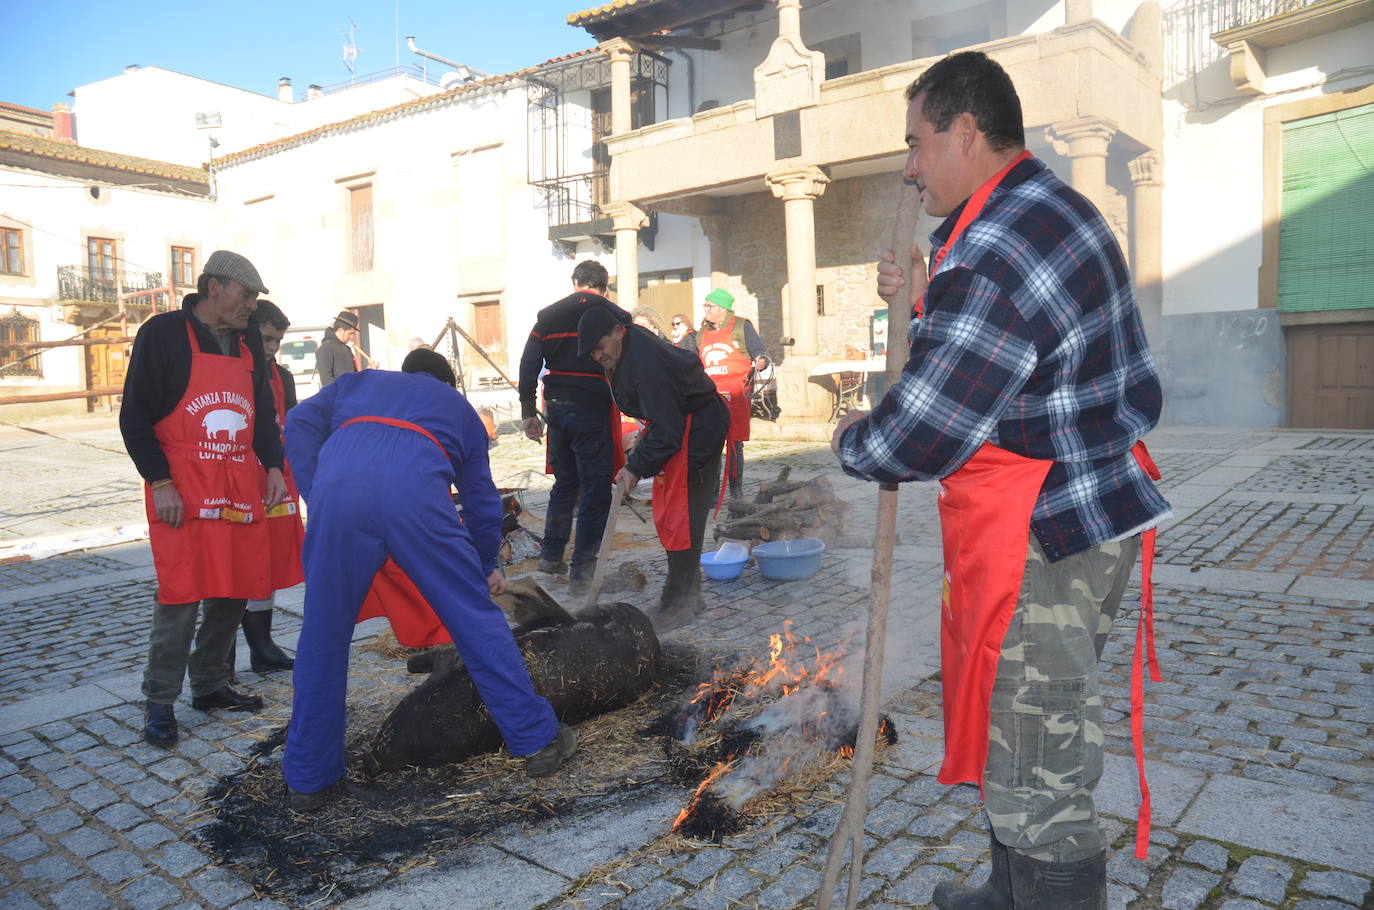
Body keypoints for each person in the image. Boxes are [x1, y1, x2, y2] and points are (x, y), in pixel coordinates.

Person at [832, 52, 1170, 910]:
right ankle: (1005, 893)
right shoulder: (1038, 206)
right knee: (1013, 725)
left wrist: (851, 440)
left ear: (965, 131)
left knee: (1038, 755)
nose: (908, 166)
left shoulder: (995, 249)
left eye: (915, 143)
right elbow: (1014, 356)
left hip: (1046, 533)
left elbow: (925, 430)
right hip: (1075, 512)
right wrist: (920, 299)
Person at [282, 349, 576, 810]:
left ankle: (308, 778)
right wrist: (482, 569)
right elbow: (481, 501)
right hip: (413, 494)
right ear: (447, 382)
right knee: (476, 622)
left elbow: (298, 423)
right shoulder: (457, 408)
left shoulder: (359, 383)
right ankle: (537, 741)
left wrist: (317, 490)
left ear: (407, 375)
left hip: (338, 495)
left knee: (322, 637)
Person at [119, 250, 284, 747]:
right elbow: (135, 415)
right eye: (246, 294)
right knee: (181, 594)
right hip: (183, 487)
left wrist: (273, 465)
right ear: (214, 287)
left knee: (234, 588)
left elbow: (260, 409)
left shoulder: (248, 339)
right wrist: (160, 481)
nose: (251, 306)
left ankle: (211, 685)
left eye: (255, 298)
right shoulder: (162, 333)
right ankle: (160, 700)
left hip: (237, 480)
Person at [577, 306, 729, 632]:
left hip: (696, 433)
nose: (598, 355)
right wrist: (638, 454)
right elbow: (660, 418)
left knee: (684, 517)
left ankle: (683, 602)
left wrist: (635, 467)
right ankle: (680, 596)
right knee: (672, 517)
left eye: (600, 346)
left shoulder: (645, 363)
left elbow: (669, 428)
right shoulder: (625, 349)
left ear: (618, 332)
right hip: (676, 428)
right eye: (592, 351)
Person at [516, 260, 629, 593]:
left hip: (557, 407)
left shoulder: (548, 315)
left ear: (575, 282)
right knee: (595, 490)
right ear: (604, 287)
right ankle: (583, 571)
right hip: (590, 407)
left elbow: (529, 363)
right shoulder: (613, 314)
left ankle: (552, 555)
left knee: (566, 484)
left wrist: (528, 411)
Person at [238, 299, 302, 673]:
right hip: (241, 475)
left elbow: (290, 427)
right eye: (265, 339)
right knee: (241, 560)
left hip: (277, 476)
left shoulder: (285, 377)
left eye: (277, 341)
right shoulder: (236, 371)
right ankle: (224, 652)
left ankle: (263, 645)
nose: (271, 349)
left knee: (271, 561)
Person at [695, 289, 767, 500]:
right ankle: (712, 492)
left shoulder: (741, 326)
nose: (706, 310)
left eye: (710, 306)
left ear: (723, 308)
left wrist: (761, 361)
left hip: (736, 394)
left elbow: (759, 353)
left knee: (735, 444)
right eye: (705, 306)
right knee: (712, 445)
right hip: (711, 396)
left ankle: (736, 490)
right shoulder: (701, 333)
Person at [315, 311, 360, 386]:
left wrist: (369, 370)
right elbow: (326, 380)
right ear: (340, 330)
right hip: (336, 396)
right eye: (350, 333)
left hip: (350, 395)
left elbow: (354, 376)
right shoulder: (325, 348)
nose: (352, 337)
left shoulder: (347, 349)